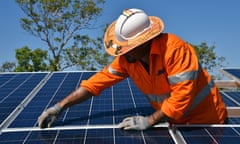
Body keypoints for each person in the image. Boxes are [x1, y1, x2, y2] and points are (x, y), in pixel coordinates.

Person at [38, 8, 227, 130]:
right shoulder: (128, 59)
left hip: (207, 123)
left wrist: (149, 120)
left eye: (128, 47)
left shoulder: (175, 51)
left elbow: (180, 99)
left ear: (145, 41)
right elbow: (96, 83)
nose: (123, 53)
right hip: (173, 123)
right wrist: (60, 106)